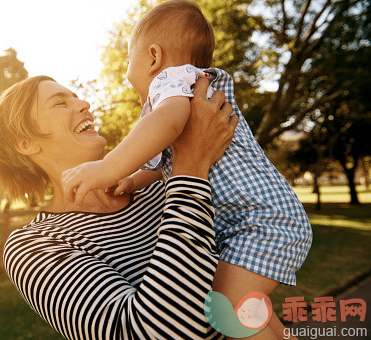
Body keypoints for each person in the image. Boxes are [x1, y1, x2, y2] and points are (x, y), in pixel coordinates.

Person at [62, 1, 312, 339]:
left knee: (224, 309)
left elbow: (165, 125)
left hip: (261, 223)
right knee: (242, 308)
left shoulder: (175, 81)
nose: (126, 70)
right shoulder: (175, 95)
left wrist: (107, 167)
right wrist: (133, 179)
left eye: (128, 59)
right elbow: (161, 161)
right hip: (254, 222)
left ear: (153, 57)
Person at [0, 74, 237, 339]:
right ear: (25, 143)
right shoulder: (34, 245)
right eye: (60, 103)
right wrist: (191, 165)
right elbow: (154, 332)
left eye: (76, 97)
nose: (84, 103)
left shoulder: (159, 184)